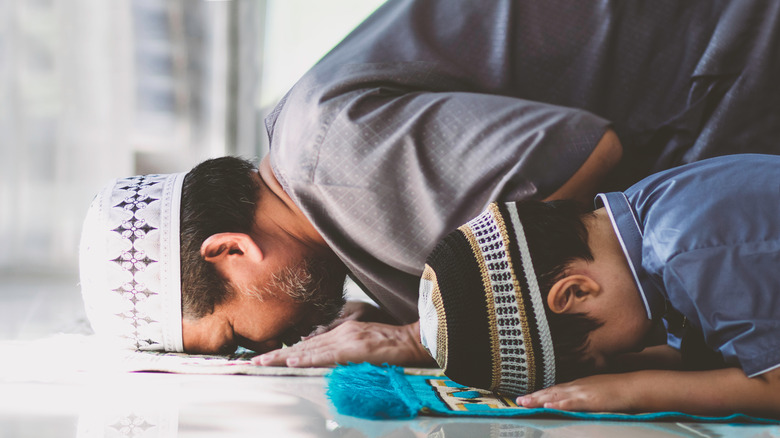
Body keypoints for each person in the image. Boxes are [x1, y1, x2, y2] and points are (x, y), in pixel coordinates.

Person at [80, 0, 780, 366]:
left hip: (729, 52)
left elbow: (584, 155)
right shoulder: (312, 170)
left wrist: (426, 334)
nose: (262, 349)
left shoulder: (338, 163)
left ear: (229, 251)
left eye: (235, 334)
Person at [416, 154, 780, 417]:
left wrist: (634, 391)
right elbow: (706, 351)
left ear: (576, 292)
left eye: (601, 356)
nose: (629, 354)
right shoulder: (649, 213)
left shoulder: (683, 251)